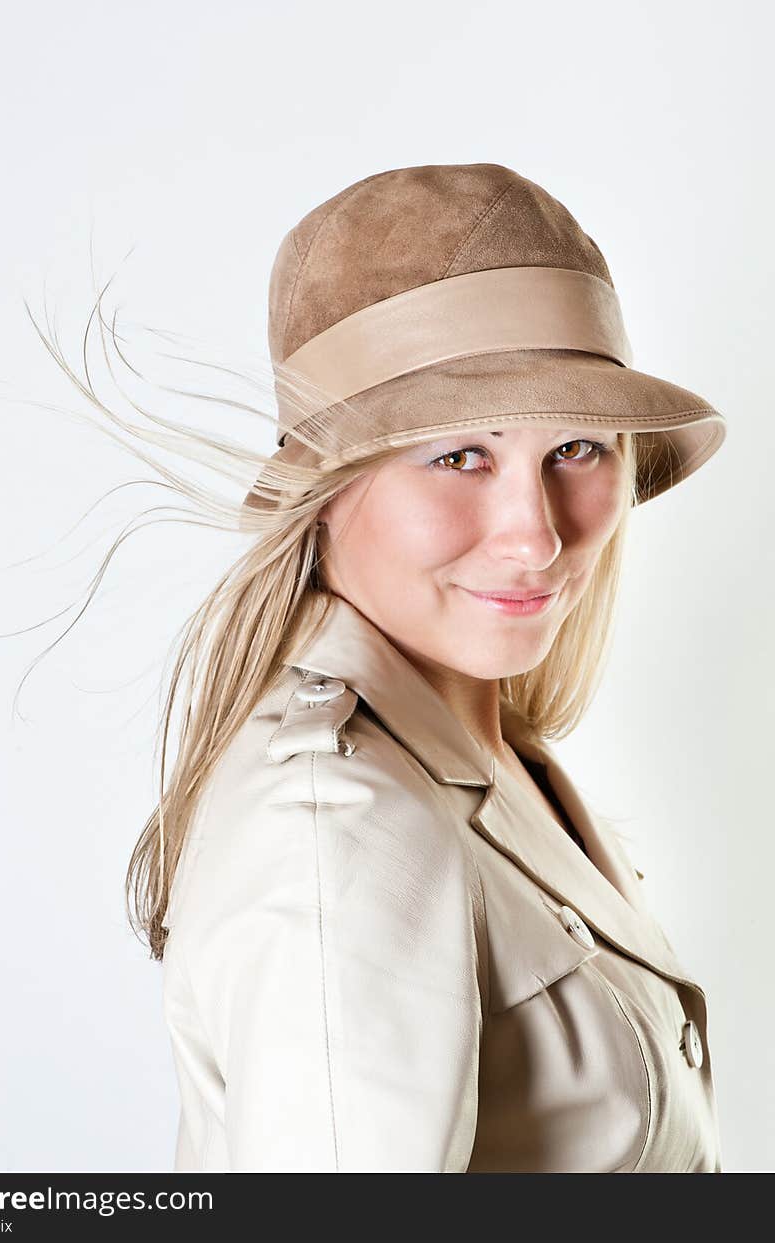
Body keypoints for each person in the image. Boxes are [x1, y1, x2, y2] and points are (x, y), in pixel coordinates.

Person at [140, 162, 726, 1172]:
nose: (535, 536)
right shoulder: (337, 827)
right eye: (460, 456)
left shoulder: (482, 756)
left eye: (578, 446)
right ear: (324, 488)